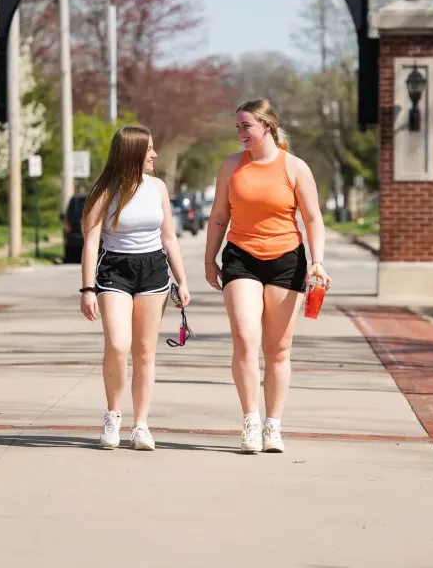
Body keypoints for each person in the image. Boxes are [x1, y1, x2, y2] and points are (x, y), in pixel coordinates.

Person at [204, 99, 332, 454]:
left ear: (267, 126)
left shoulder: (294, 168)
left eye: (246, 126)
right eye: (238, 128)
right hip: (240, 257)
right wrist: (209, 260)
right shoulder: (230, 166)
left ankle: (273, 426)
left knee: (278, 349)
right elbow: (218, 216)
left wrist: (317, 262)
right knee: (245, 338)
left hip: (286, 261)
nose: (241, 133)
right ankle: (251, 421)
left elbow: (312, 219)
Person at [79, 125, 191, 451]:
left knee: (144, 352)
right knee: (117, 344)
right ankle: (113, 415)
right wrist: (87, 289)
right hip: (116, 270)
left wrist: (181, 280)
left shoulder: (157, 188)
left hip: (154, 271)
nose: (155, 155)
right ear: (132, 153)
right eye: (150, 149)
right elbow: (91, 241)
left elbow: (169, 237)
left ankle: (141, 424)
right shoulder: (106, 191)